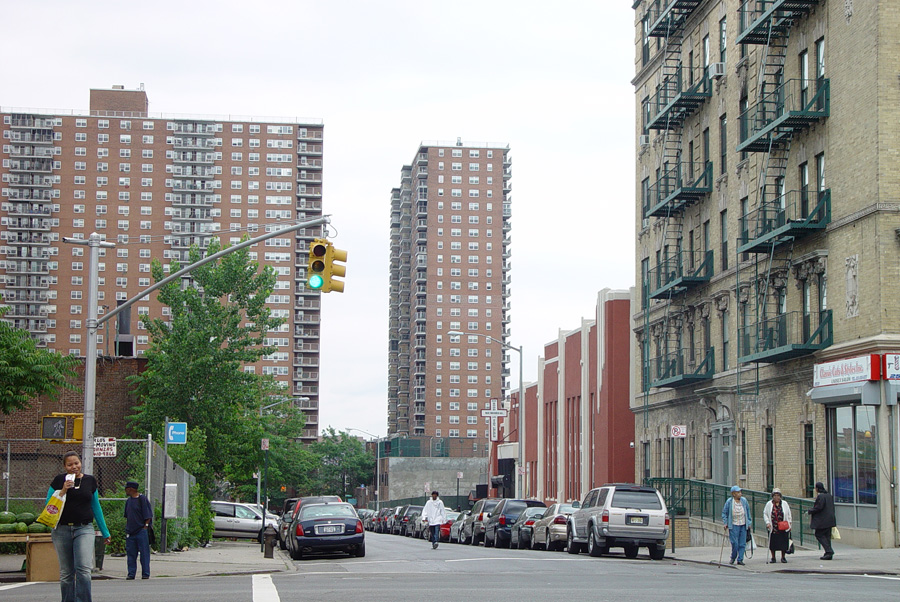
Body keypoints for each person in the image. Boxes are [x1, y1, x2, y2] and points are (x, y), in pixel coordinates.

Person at [47, 451, 110, 602]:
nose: (74, 467)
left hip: (84, 528)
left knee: (83, 568)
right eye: (70, 464)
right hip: (61, 529)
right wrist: (63, 490)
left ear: (80, 463)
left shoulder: (90, 481)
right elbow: (48, 506)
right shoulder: (58, 481)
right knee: (67, 572)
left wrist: (105, 532)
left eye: (76, 463)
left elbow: (96, 507)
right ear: (65, 466)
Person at [124, 481, 153, 580]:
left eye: (127, 488)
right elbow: (127, 515)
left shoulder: (142, 499)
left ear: (131, 489)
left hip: (141, 531)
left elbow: (148, 515)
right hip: (130, 531)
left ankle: (145, 573)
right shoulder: (129, 501)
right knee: (131, 554)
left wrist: (145, 526)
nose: (126, 490)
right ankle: (131, 573)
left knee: (144, 553)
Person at [721, 485, 752, 565]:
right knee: (735, 543)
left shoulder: (744, 501)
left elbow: (748, 512)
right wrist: (725, 523)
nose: (740, 494)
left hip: (743, 524)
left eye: (740, 492)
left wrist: (749, 522)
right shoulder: (729, 502)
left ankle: (740, 559)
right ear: (733, 494)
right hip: (733, 524)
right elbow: (724, 513)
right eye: (738, 492)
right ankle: (733, 557)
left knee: (742, 543)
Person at [763, 488, 792, 563]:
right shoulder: (769, 504)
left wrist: (790, 524)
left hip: (783, 526)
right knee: (773, 543)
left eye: (778, 495)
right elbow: (765, 513)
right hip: (773, 527)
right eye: (775, 495)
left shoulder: (784, 504)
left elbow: (788, 514)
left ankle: (783, 557)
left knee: (783, 542)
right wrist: (767, 522)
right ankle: (773, 557)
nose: (777, 497)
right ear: (772, 496)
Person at [808, 481, 836, 560]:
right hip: (830, 520)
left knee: (819, 534)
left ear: (817, 489)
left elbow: (819, 507)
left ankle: (829, 551)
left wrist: (811, 511)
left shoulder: (821, 497)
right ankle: (828, 553)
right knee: (827, 536)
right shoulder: (829, 496)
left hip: (822, 521)